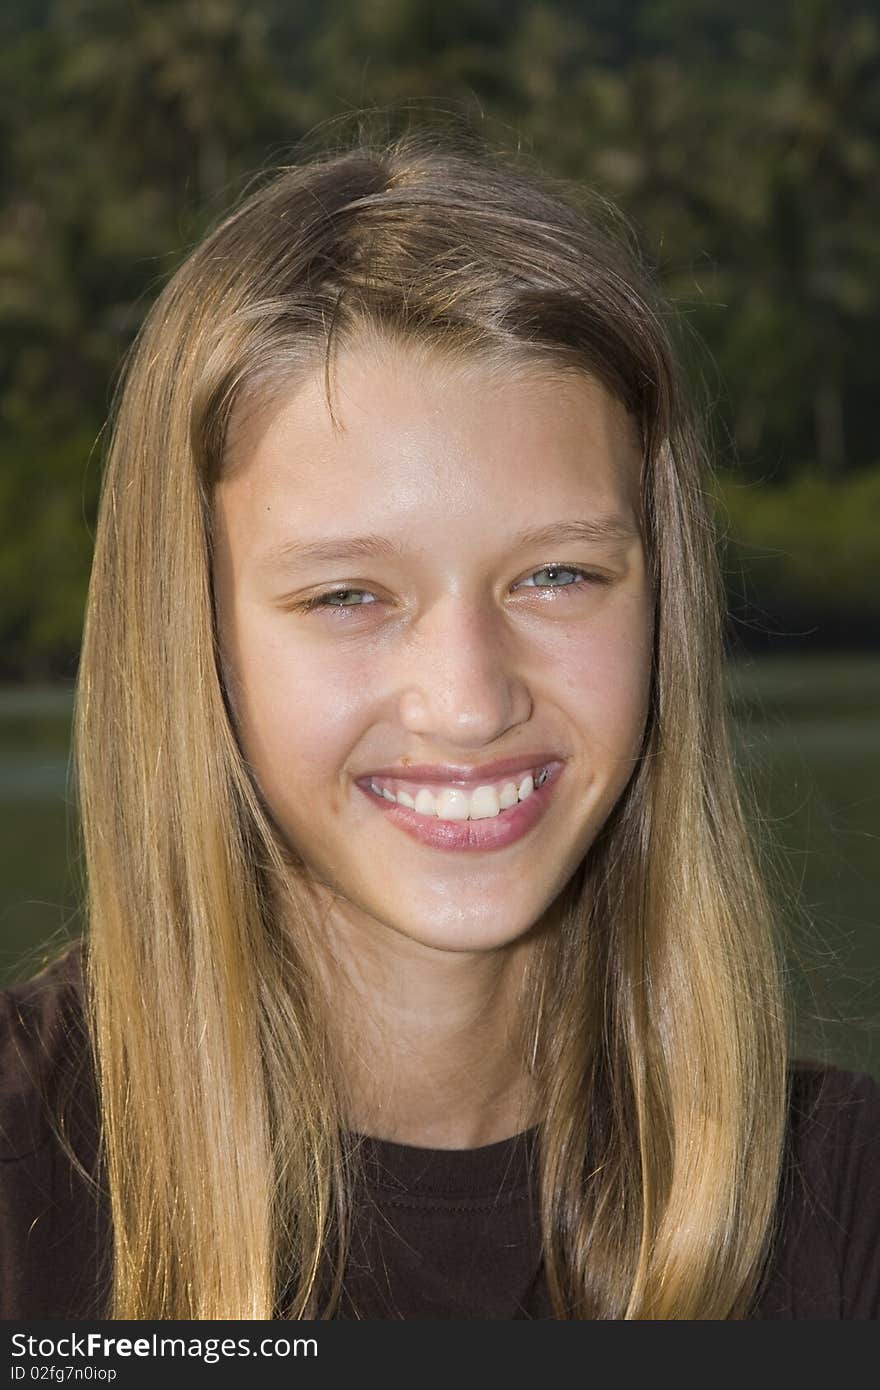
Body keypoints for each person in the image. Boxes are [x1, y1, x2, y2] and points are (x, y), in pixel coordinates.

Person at [1, 126, 878, 1322]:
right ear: (192, 634)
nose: (469, 701)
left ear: (660, 598)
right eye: (349, 595)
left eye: (558, 576)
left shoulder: (841, 1207)